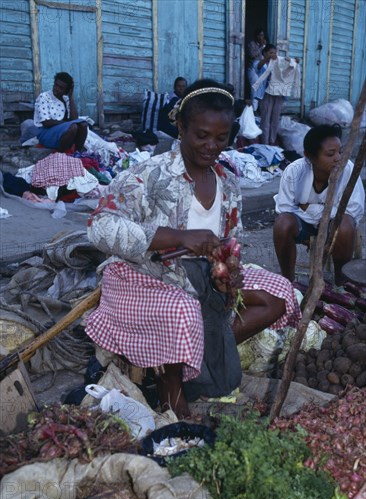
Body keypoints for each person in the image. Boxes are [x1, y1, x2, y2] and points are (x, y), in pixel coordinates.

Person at [86, 79, 301, 419]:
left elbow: (232, 239)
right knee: (183, 310)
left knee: (280, 296)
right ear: (181, 127)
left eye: (221, 138)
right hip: (143, 274)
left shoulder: (228, 182)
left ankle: (198, 352)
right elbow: (99, 227)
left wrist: (229, 269)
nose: (211, 146)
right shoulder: (149, 175)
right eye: (201, 135)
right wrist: (174, 236)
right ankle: (173, 395)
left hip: (203, 276)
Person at [273, 124, 365, 285]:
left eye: (340, 152)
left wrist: (308, 207)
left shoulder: (348, 170)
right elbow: (284, 209)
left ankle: (341, 284)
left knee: (344, 225)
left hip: (334, 225)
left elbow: (354, 210)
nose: (338, 158)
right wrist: (326, 210)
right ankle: (288, 282)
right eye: (330, 154)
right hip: (304, 225)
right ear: (310, 156)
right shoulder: (294, 171)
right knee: (283, 224)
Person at [252, 44, 300, 145]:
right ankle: (265, 143)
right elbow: (258, 67)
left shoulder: (279, 63)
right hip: (266, 95)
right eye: (271, 53)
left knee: (275, 119)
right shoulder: (261, 63)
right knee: (265, 119)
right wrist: (267, 59)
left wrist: (294, 62)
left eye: (274, 53)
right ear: (265, 53)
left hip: (278, 94)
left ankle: (272, 141)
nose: (273, 55)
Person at [34, 72, 88, 152]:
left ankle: (77, 153)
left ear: (67, 90)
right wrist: (67, 123)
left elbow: (74, 119)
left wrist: (70, 97)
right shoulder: (44, 97)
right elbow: (46, 123)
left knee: (83, 125)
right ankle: (59, 154)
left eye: (61, 88)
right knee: (73, 127)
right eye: (56, 85)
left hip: (62, 133)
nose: (57, 89)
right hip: (46, 134)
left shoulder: (66, 99)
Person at [246, 29, 267, 112]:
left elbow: (267, 56)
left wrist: (264, 47)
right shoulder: (252, 44)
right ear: (257, 36)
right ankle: (253, 110)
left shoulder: (265, 45)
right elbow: (252, 55)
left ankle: (259, 110)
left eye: (263, 35)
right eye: (260, 35)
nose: (262, 37)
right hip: (253, 69)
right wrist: (261, 47)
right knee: (254, 88)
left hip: (262, 69)